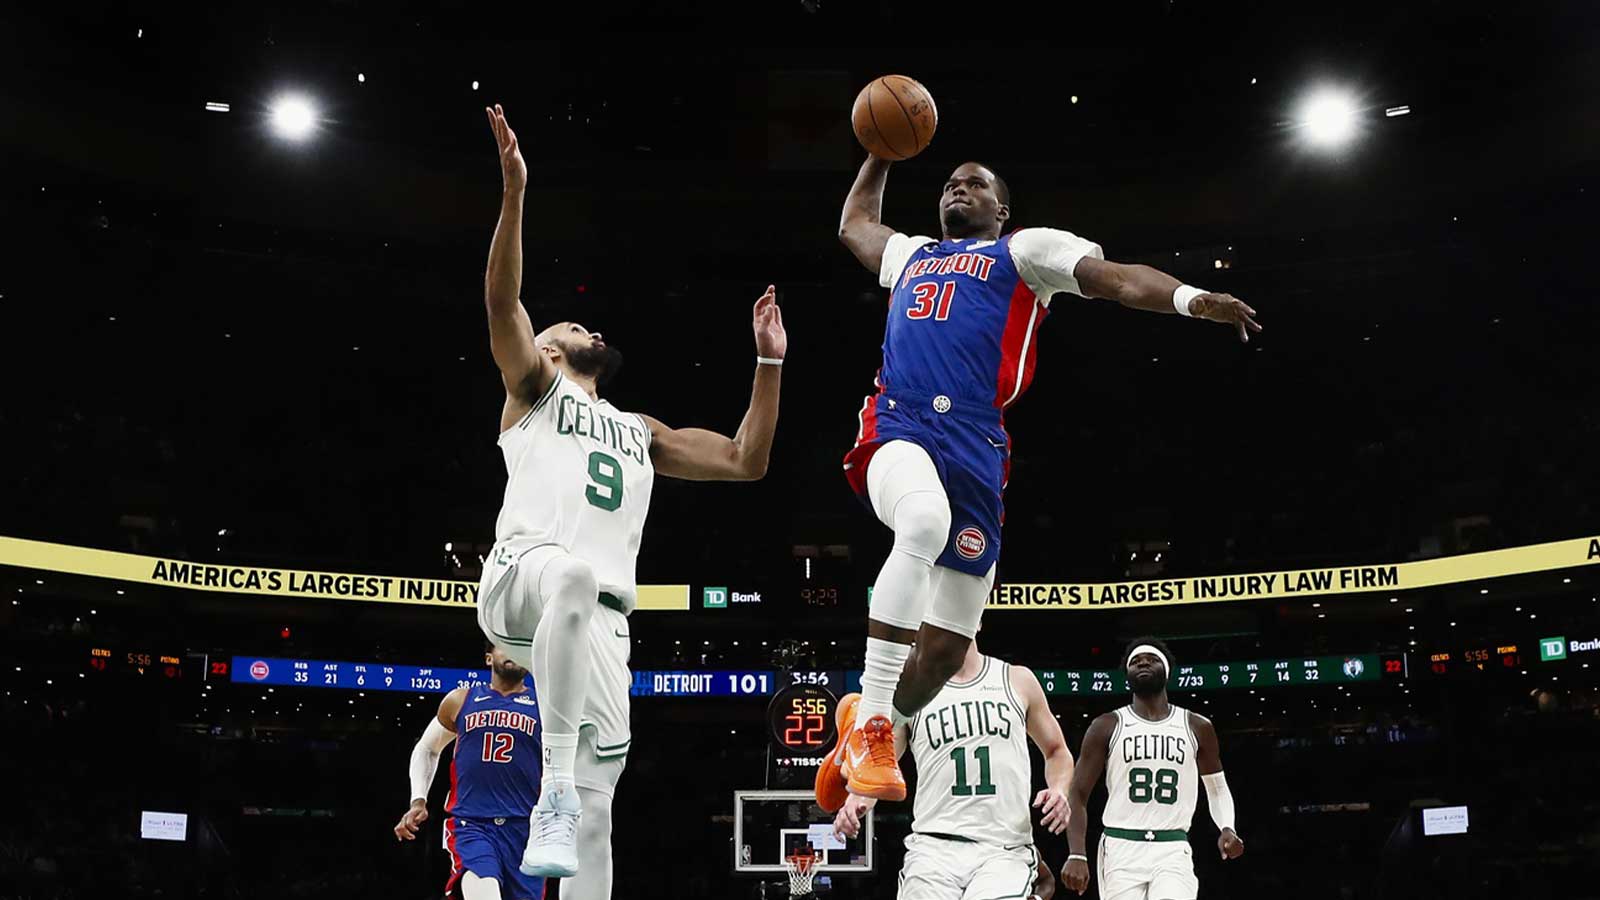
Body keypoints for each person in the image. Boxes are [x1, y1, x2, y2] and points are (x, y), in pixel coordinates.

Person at [817, 156, 1262, 810]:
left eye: (974, 183)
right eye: (948, 183)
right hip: (899, 418)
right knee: (920, 522)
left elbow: (1119, 282)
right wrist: (881, 152)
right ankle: (876, 723)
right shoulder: (910, 254)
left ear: (1002, 210)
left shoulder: (1026, 250)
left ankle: (867, 725)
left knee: (943, 653)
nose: (956, 189)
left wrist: (1194, 300)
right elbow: (856, 224)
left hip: (975, 443)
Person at [476, 104, 786, 896]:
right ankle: (547, 789)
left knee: (597, 815)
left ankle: (564, 800)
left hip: (608, 625)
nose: (589, 326)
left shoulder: (639, 429)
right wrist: (514, 194)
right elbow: (501, 302)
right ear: (548, 347)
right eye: (573, 322)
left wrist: (767, 364)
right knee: (573, 578)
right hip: (525, 579)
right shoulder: (536, 388)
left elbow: (746, 461)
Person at [831, 635, 1074, 900]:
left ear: (976, 619)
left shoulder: (1017, 680)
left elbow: (1057, 751)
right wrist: (857, 799)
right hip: (933, 847)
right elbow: (880, 763)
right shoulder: (910, 692)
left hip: (1003, 848)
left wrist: (1059, 789)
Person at [1061, 637, 1245, 899]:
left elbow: (1216, 788)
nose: (1143, 663)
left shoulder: (1197, 726)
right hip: (1120, 846)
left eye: (1152, 659)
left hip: (1172, 846)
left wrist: (1228, 827)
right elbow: (1077, 794)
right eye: (1135, 661)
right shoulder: (1107, 725)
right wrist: (1077, 853)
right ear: (1127, 674)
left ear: (1167, 671)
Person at [394, 642, 544, 900]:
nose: (512, 652)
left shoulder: (545, 705)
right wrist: (418, 800)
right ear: (488, 658)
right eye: (504, 645)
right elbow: (427, 749)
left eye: (519, 647)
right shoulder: (461, 699)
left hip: (526, 829)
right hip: (472, 824)